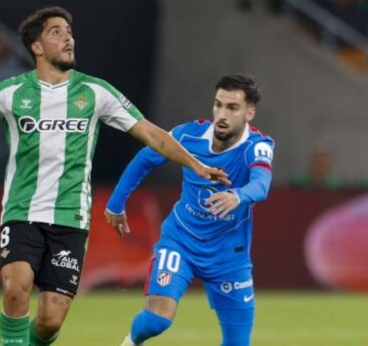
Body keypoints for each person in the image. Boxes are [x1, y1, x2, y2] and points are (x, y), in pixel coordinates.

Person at [0, 6, 229, 346]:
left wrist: (195, 164)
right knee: (16, 288)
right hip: (22, 211)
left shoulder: (96, 93)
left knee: (50, 321)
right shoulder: (10, 93)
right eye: (57, 32)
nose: (68, 38)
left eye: (69, 32)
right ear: (37, 47)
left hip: (70, 218)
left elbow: (154, 135)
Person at [105, 74, 275, 346]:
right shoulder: (188, 135)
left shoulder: (258, 146)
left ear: (249, 113)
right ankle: (130, 342)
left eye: (232, 108)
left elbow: (261, 184)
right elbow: (145, 159)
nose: (221, 114)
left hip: (229, 256)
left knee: (238, 343)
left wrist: (238, 195)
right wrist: (116, 203)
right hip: (180, 242)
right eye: (218, 104)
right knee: (156, 320)